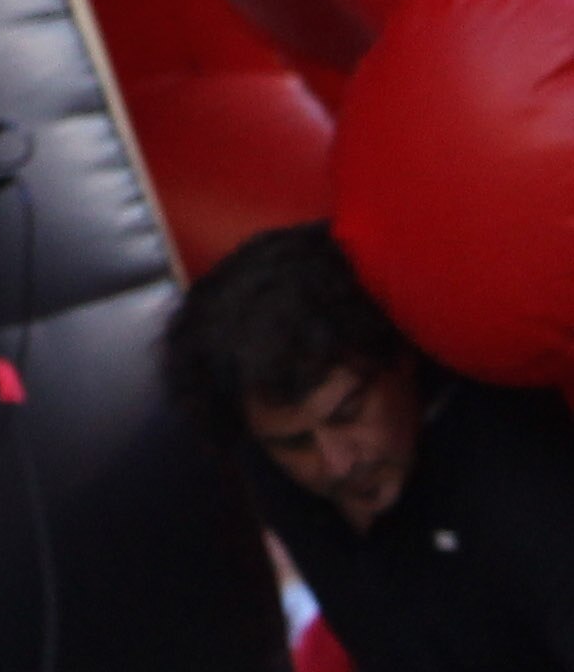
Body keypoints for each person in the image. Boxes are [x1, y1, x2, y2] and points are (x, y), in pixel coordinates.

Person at [165, 223, 574, 672]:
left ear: (402, 359)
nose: (336, 462)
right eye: (295, 443)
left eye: (348, 413)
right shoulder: (269, 472)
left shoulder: (520, 482)